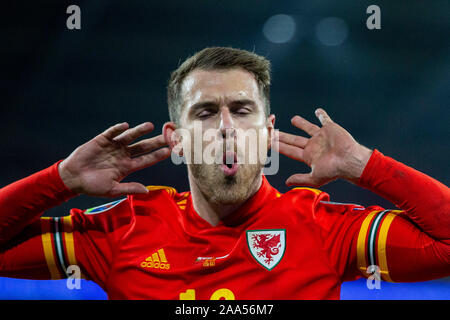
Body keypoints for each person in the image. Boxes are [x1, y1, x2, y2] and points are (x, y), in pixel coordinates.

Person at [0, 47, 448, 300]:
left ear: (267, 130)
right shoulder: (120, 230)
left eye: (242, 110)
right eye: (207, 112)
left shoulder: (324, 228)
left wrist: (364, 166)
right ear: (176, 138)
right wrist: (60, 179)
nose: (227, 128)